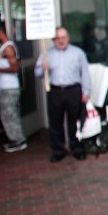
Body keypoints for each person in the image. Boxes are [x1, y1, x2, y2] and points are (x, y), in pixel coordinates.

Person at [34, 27, 91, 163]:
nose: (61, 40)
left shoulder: (78, 53)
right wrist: (42, 68)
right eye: (58, 38)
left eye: (64, 37)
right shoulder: (46, 53)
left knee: (75, 122)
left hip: (73, 90)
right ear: (53, 40)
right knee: (55, 122)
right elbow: (37, 74)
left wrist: (86, 91)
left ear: (68, 38)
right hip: (55, 91)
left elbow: (85, 73)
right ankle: (58, 150)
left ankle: (77, 148)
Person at [0, 23, 27, 152]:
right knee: (7, 114)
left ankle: (18, 140)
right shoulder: (3, 47)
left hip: (9, 87)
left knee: (10, 114)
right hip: (5, 86)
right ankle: (15, 139)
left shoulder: (8, 48)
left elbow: (15, 68)